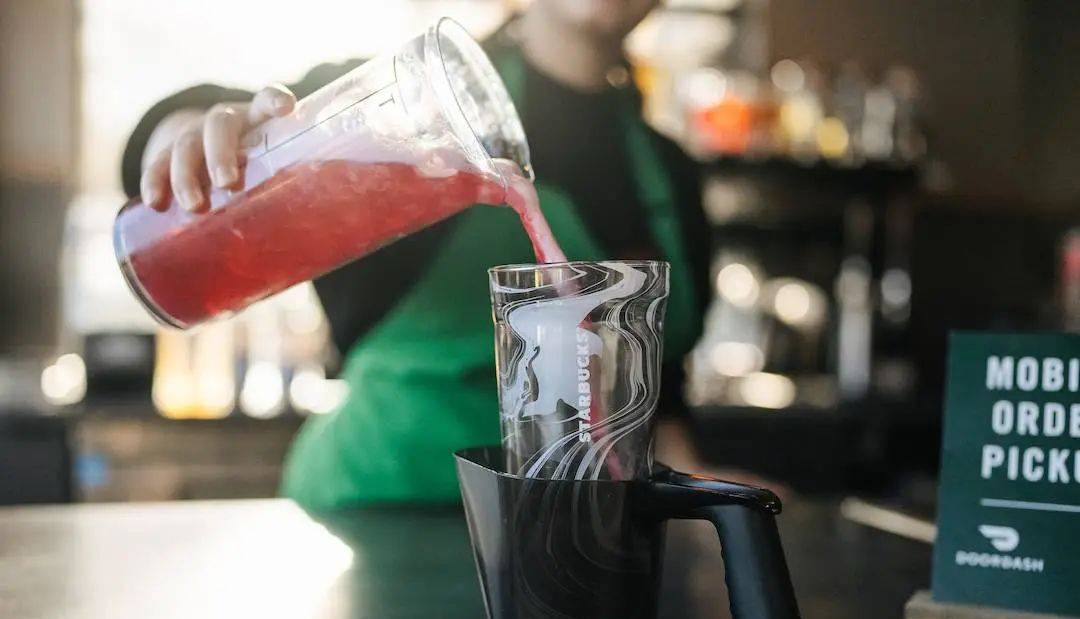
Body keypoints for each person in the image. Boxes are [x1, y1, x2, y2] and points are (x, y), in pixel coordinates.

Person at [124, 0, 710, 508]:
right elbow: (238, 123)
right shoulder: (408, 110)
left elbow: (654, 384)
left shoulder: (669, 171)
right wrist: (187, 136)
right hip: (374, 512)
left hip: (565, 528)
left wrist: (692, 480)